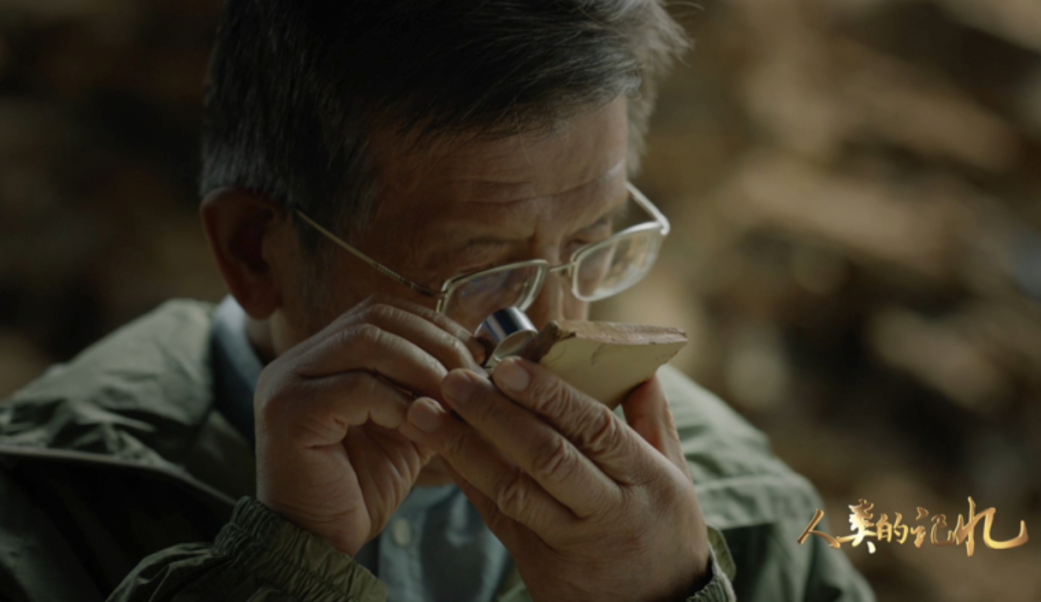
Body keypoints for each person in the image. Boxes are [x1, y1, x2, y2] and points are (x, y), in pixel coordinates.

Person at [0, 1, 876, 600]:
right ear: (254, 250)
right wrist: (279, 568)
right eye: (480, 277)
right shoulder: (51, 503)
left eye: (592, 245)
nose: (553, 333)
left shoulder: (738, 506)